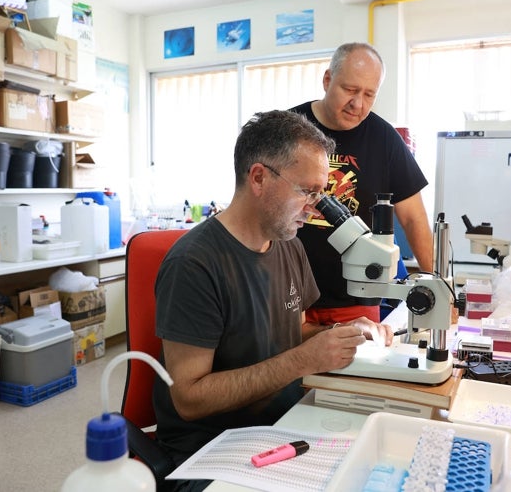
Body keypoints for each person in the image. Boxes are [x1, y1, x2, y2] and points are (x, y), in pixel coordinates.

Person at [152, 110, 393, 491]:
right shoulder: (194, 264)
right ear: (260, 178)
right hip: (211, 449)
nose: (314, 207)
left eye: (320, 194)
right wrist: (303, 360)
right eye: (307, 191)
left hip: (283, 422)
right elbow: (189, 398)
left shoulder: (289, 246)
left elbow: (294, 330)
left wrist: (342, 333)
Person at [290, 42, 434, 326]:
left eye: (369, 94)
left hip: (355, 301)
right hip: (288, 298)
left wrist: (437, 286)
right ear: (327, 80)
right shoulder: (289, 128)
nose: (359, 104)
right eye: (350, 90)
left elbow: (414, 218)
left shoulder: (385, 139)